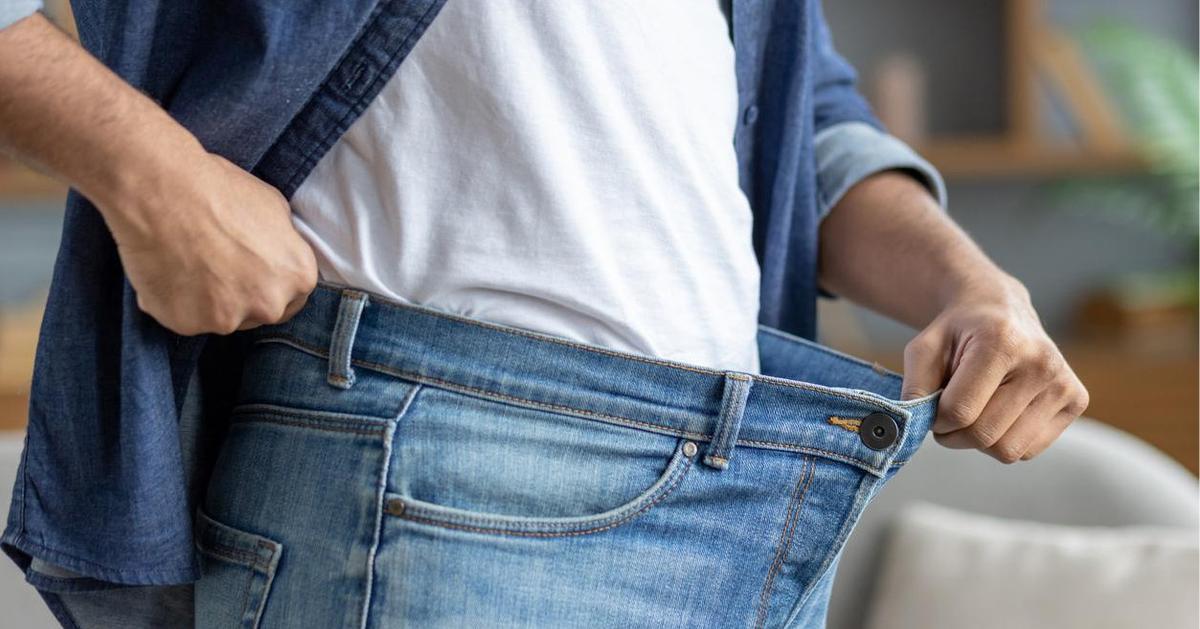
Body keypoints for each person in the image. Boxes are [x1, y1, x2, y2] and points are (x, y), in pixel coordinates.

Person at [0, 2, 1089, 627]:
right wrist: (155, 177)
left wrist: (966, 282)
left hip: (756, 475)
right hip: (439, 458)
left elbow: (788, 105)